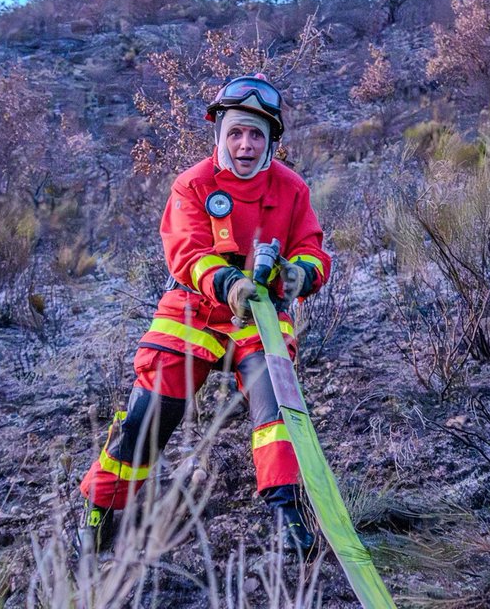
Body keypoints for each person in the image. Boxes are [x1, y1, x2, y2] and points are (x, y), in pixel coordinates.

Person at [78, 74, 331, 555]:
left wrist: (300, 275)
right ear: (219, 134)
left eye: (256, 134)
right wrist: (228, 282)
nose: (245, 144)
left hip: (261, 313)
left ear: (271, 140)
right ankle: (100, 508)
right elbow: (187, 252)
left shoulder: (292, 189)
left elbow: (313, 250)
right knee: (150, 412)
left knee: (276, 406)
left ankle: (287, 511)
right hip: (193, 308)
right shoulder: (192, 184)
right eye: (235, 132)